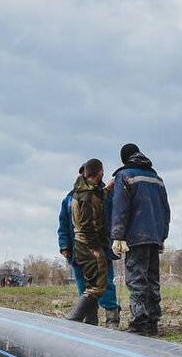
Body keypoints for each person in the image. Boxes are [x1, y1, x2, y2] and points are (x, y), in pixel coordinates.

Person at [110, 143, 170, 336]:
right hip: (154, 237)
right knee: (152, 280)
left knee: (136, 281)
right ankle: (153, 323)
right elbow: (165, 210)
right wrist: (162, 235)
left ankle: (138, 325)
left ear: (125, 159)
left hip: (136, 237)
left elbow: (120, 207)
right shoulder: (157, 179)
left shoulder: (124, 176)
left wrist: (118, 235)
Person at [59, 166, 121, 327]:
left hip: (101, 248)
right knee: (84, 285)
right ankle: (89, 321)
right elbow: (64, 225)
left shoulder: (106, 195)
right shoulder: (70, 199)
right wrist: (64, 245)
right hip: (79, 250)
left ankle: (112, 318)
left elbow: (114, 217)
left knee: (105, 283)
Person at [66, 158, 111, 325]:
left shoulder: (81, 190)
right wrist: (95, 248)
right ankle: (72, 321)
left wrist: (107, 190)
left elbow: (96, 199)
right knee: (97, 287)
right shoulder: (87, 195)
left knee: (89, 285)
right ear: (100, 173)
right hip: (88, 245)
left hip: (80, 244)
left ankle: (90, 323)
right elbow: (87, 223)